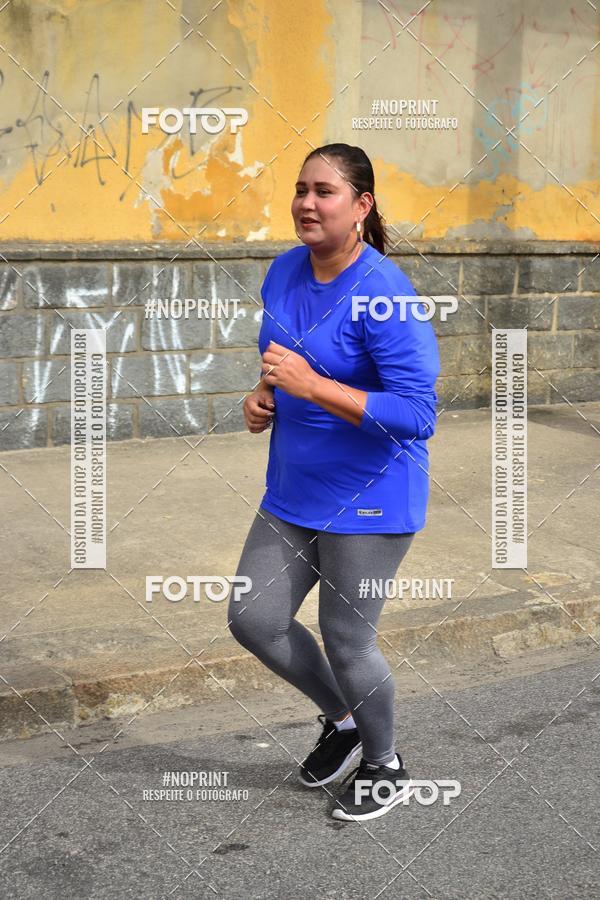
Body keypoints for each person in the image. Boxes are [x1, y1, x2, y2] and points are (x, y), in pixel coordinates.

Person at [228, 142, 440, 822]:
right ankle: (344, 722)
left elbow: (416, 414)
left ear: (362, 206)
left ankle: (386, 764)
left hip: (371, 497)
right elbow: (280, 359)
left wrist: (311, 387)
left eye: (324, 191)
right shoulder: (286, 270)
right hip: (293, 490)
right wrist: (262, 395)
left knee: (348, 641)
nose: (306, 203)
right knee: (253, 618)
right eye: (300, 189)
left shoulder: (386, 294)